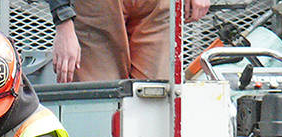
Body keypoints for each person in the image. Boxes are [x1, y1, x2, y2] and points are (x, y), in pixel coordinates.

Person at [47, 0, 211, 83]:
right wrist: (64, 23)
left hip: (155, 7)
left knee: (156, 96)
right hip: (97, 8)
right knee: (101, 98)